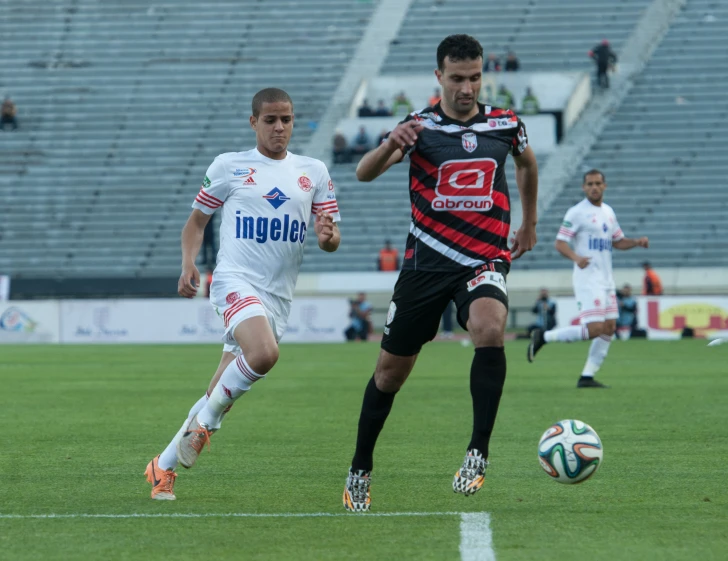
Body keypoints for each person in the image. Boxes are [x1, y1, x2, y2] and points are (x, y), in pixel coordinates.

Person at [342, 34, 538, 512]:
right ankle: (360, 468)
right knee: (390, 374)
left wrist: (529, 222)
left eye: (474, 78)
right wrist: (392, 141)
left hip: (483, 258)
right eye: (457, 78)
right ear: (439, 77)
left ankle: (478, 452)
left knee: (491, 328)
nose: (467, 87)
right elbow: (363, 173)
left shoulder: (507, 124)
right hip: (425, 263)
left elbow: (527, 165)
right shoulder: (418, 127)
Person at [144, 88, 341, 500]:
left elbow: (330, 237)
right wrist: (188, 264)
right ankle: (207, 426)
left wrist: (329, 235)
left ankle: (161, 467)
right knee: (265, 355)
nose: (279, 128)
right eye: (270, 120)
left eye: (286, 119)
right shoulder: (230, 167)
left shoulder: (314, 172)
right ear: (254, 123)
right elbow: (196, 223)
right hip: (235, 280)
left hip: (278, 297)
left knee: (218, 387)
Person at [527, 169, 648, 388]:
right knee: (594, 329)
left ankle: (587, 376)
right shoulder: (576, 212)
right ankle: (544, 337)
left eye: (598, 183)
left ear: (605, 186)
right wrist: (576, 257)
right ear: (584, 187)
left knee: (610, 327)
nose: (594, 187)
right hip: (587, 279)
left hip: (606, 279)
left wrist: (636, 242)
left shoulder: (609, 212)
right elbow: (560, 242)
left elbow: (617, 241)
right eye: (590, 183)